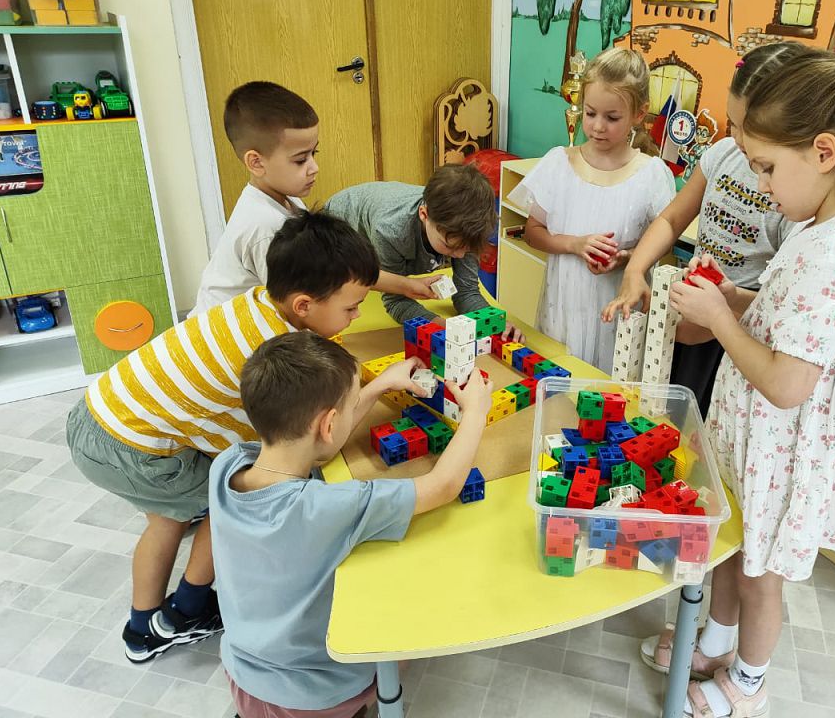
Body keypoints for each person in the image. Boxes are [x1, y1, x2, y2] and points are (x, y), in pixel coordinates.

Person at [652, 47, 835, 718]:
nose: (760, 184)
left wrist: (718, 319)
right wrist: (735, 300)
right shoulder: (814, 228)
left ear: (824, 152)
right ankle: (715, 642)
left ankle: (749, 683)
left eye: (766, 166)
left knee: (759, 575)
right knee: (735, 553)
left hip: (782, 452)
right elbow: (782, 321)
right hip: (757, 444)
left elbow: (789, 383)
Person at [66, 211, 428, 663]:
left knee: (169, 518)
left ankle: (146, 628)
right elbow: (320, 447)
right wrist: (379, 386)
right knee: (230, 495)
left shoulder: (261, 302)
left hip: (100, 413)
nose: (356, 317)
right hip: (132, 445)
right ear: (303, 305)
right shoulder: (275, 355)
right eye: (351, 308)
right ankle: (183, 612)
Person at [209, 331, 493, 717]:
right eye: (350, 405)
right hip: (317, 696)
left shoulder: (227, 464)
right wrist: (475, 412)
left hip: (242, 670)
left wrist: (378, 385)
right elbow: (442, 486)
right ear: (328, 424)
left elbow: (312, 452)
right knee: (403, 639)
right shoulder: (327, 507)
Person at [602, 42, 809, 417]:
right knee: (657, 412)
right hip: (693, 310)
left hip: (734, 331)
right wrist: (635, 270)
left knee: (698, 422)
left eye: (746, 128)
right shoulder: (723, 154)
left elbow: (776, 299)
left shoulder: (795, 194)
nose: (737, 138)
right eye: (732, 124)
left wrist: (716, 318)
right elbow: (671, 219)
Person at [513, 47, 675, 373]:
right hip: (561, 313)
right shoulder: (559, 163)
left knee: (606, 394)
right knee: (557, 385)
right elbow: (532, 233)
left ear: (639, 114)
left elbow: (663, 250)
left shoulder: (652, 175)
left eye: (612, 118)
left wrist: (626, 258)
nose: (598, 126)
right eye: (590, 113)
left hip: (616, 321)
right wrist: (575, 244)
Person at [324, 165, 523, 341]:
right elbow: (395, 300)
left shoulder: (468, 229)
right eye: (450, 247)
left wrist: (493, 320)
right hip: (338, 232)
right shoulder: (391, 231)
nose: (460, 256)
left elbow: (466, 291)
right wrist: (438, 325)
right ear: (424, 215)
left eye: (467, 249)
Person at [192, 81, 318, 314]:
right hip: (221, 332)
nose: (314, 167)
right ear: (256, 163)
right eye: (301, 160)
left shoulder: (288, 201)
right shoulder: (267, 227)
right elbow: (296, 311)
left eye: (314, 153)